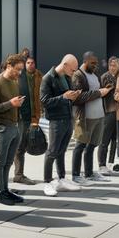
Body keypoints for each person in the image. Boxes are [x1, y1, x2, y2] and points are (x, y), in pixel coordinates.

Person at [0, 53, 27, 204]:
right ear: (8, 66)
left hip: (15, 126)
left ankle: (5, 190)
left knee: (9, 161)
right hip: (2, 128)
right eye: (17, 69)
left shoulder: (14, 81)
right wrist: (11, 103)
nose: (19, 73)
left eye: (21, 70)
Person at [40, 54, 83, 197]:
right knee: (52, 151)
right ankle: (47, 182)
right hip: (56, 120)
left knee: (62, 150)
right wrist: (64, 97)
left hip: (67, 118)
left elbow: (67, 97)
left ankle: (62, 178)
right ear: (64, 65)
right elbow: (44, 101)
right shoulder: (48, 78)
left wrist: (73, 96)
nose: (74, 72)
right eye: (72, 69)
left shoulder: (67, 77)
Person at [70, 51, 112, 184]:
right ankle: (76, 175)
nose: (95, 65)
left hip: (99, 116)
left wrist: (105, 90)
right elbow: (78, 97)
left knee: (93, 145)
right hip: (85, 117)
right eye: (92, 63)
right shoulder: (78, 75)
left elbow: (96, 93)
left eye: (96, 63)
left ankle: (89, 173)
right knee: (80, 145)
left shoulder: (94, 75)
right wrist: (99, 93)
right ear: (85, 61)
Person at [14, 55, 42, 186]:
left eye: (32, 62)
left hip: (33, 115)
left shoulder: (38, 76)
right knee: (20, 146)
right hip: (21, 116)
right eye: (28, 63)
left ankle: (19, 173)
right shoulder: (19, 77)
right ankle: (18, 174)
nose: (31, 64)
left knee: (25, 144)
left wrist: (37, 115)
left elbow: (39, 97)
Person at [96, 56, 119, 174]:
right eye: (111, 65)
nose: (112, 67)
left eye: (115, 65)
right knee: (104, 139)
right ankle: (102, 164)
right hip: (108, 111)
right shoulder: (105, 77)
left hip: (118, 112)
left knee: (115, 139)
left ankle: (110, 163)